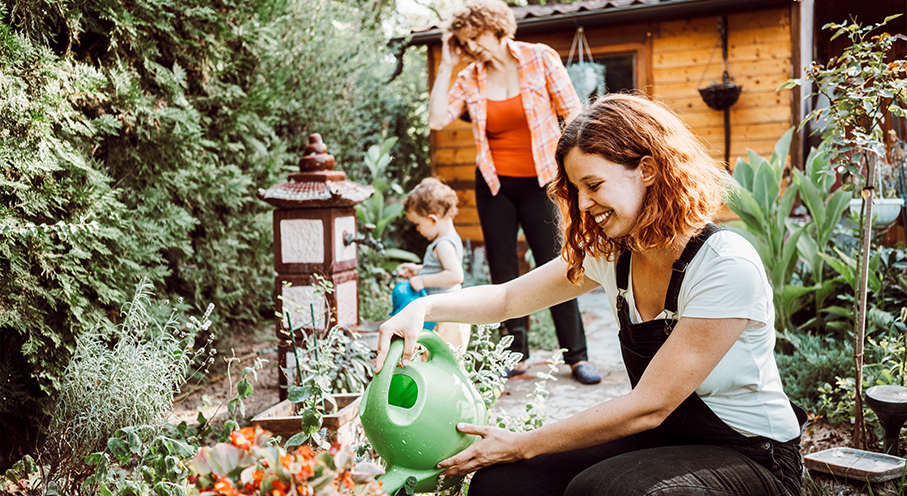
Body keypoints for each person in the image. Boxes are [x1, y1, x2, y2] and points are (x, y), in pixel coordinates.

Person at [376, 94, 807, 496]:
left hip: (754, 456)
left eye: (594, 185)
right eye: (575, 189)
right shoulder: (614, 254)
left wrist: (523, 442)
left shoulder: (725, 265)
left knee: (606, 490)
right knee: (502, 484)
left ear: (649, 169)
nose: (582, 205)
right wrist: (424, 306)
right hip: (662, 437)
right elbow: (508, 299)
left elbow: (650, 406)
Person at [428, 0, 600, 384]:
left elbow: (574, 114)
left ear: (496, 27)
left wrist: (580, 175)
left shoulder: (540, 59)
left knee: (560, 265)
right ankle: (515, 353)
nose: (471, 46)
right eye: (464, 41)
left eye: (475, 37)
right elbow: (438, 118)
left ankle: (577, 356)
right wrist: (446, 63)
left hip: (543, 181)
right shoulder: (470, 77)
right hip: (494, 184)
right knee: (504, 269)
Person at [397, 177, 471, 348]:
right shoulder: (449, 239)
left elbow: (455, 275)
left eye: (418, 224)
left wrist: (423, 280)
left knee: (446, 363)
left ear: (432, 219)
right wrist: (418, 270)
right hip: (447, 314)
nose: (417, 229)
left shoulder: (443, 244)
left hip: (448, 318)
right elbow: (441, 268)